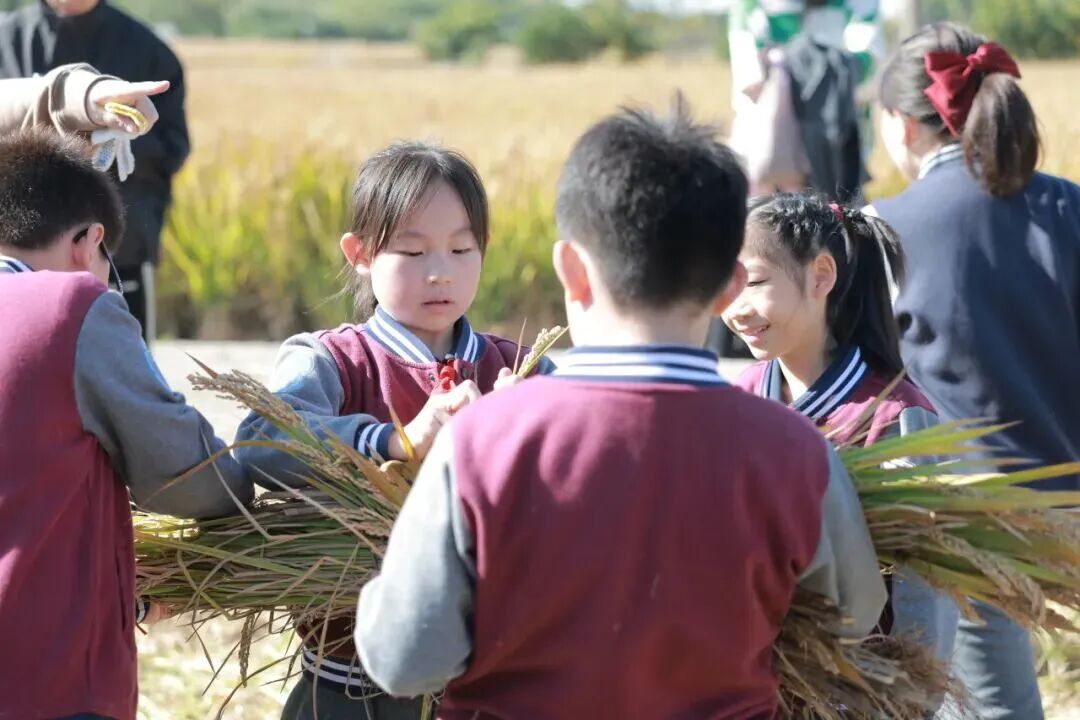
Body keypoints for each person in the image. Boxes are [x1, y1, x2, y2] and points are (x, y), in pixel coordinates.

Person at [352, 101, 886, 719]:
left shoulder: (482, 442)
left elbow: (405, 661)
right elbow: (855, 616)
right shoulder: (797, 453)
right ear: (730, 286)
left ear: (571, 271)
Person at [235, 141, 552, 720]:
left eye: (461, 249)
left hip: (490, 696)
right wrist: (392, 442)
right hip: (345, 691)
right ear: (359, 253)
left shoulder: (521, 369)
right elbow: (261, 441)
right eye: (412, 250)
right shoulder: (331, 360)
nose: (440, 272)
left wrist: (525, 427)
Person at [0, 124, 251, 719]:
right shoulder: (69, 307)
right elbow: (183, 474)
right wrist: (247, 499)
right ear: (90, 242)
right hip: (45, 686)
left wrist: (124, 603)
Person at [868, 22, 1080, 719]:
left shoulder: (881, 231)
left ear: (902, 124)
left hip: (971, 522)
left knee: (998, 707)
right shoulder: (1071, 206)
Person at [722, 192, 958, 671]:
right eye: (726, 286)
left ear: (821, 276)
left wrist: (910, 690)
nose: (736, 309)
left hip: (859, 684)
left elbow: (922, 590)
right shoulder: (738, 399)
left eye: (756, 282)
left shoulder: (892, 416)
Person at [0, 0, 191, 343]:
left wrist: (111, 137)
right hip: (16, 249)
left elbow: (171, 149)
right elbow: (23, 103)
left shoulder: (148, 50)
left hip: (118, 252)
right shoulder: (6, 37)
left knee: (121, 359)